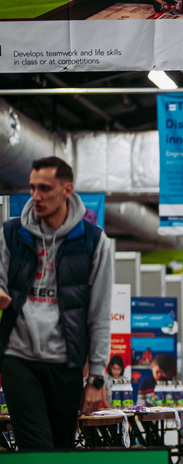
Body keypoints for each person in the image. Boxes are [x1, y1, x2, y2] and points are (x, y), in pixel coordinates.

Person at [0, 156, 114, 449]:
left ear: (67, 189)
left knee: (62, 447)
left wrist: (97, 379)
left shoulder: (94, 242)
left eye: (45, 188)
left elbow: (99, 314)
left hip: (66, 364)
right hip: (18, 358)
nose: (36, 196)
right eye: (32, 187)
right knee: (35, 445)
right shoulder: (11, 234)